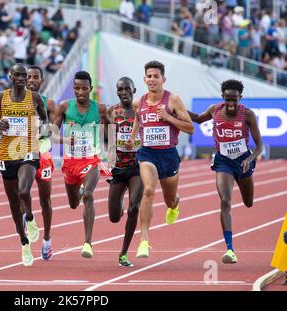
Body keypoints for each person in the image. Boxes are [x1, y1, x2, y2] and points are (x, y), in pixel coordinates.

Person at [187, 79, 262, 264]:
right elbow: (197, 118)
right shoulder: (215, 110)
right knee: (225, 200)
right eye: (227, 99)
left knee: (249, 202)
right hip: (223, 161)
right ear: (222, 97)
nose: (230, 104)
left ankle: (230, 247)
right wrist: (176, 108)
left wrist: (249, 159)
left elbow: (260, 146)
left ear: (240, 98)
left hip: (243, 161)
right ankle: (230, 249)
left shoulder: (248, 115)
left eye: (234, 100)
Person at [126, 60, 194, 258]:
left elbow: (190, 128)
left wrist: (168, 117)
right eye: (149, 76)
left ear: (163, 78)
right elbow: (138, 119)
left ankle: (175, 203)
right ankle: (144, 241)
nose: (152, 80)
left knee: (170, 200)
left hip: (169, 155)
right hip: (147, 153)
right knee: (148, 190)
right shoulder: (138, 102)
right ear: (144, 79)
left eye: (156, 76)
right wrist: (132, 139)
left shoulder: (173, 100)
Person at [0, 63, 48, 267]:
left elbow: (45, 120)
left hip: (28, 149)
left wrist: (42, 130)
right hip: (6, 153)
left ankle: (29, 216)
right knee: (12, 202)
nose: (22, 78)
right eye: (18, 75)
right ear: (10, 76)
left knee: (23, 191)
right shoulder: (0, 98)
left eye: (24, 75)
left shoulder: (35, 98)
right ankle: (24, 242)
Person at [53, 71, 109, 258]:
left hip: (91, 160)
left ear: (90, 89)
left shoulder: (100, 109)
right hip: (70, 163)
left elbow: (111, 129)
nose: (81, 92)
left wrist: (116, 154)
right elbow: (52, 134)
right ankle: (79, 191)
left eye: (84, 88)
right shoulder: (64, 107)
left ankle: (87, 243)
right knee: (73, 203)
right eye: (77, 88)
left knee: (89, 195)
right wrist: (65, 140)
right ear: (73, 89)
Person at [107, 77, 143, 267]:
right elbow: (109, 142)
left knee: (134, 208)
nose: (123, 92)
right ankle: (120, 198)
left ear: (134, 89)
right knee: (114, 217)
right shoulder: (113, 112)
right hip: (119, 168)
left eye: (127, 89)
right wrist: (108, 166)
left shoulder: (141, 111)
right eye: (120, 89)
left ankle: (123, 253)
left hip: (138, 167)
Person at [26, 65, 56, 260]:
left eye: (35, 77)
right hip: (22, 152)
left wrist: (41, 130)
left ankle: (47, 239)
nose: (31, 80)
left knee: (45, 199)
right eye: (28, 76)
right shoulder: (15, 102)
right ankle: (28, 218)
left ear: (41, 81)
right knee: (22, 192)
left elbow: (53, 129)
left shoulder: (49, 103)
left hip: (43, 153)